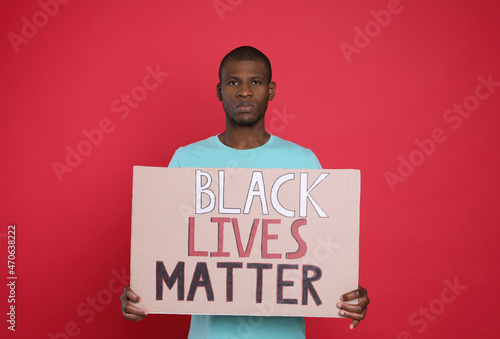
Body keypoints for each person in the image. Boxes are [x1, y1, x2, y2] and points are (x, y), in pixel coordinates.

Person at [121, 46, 369, 338]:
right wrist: (142, 293)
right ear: (219, 90)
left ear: (271, 89)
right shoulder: (186, 160)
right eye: (233, 82)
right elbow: (166, 246)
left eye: (256, 81)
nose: (244, 92)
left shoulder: (303, 162)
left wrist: (349, 291)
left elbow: (322, 252)